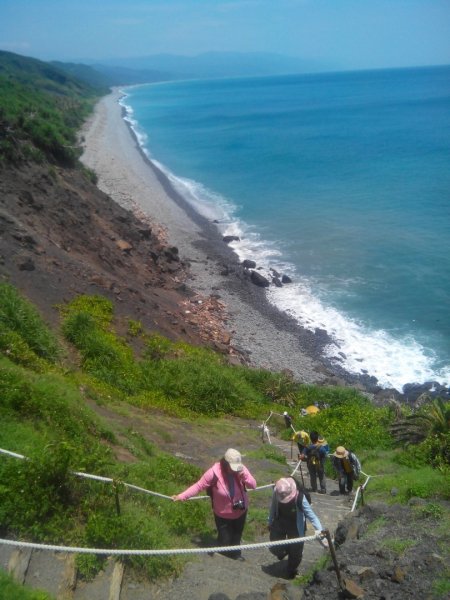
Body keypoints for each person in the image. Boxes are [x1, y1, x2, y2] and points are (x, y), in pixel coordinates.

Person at [172, 448, 256, 560]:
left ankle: (236, 554)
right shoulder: (213, 473)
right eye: (232, 468)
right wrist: (181, 496)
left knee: (237, 536)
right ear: (225, 463)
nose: (234, 470)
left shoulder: (241, 469)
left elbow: (253, 485)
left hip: (240, 511)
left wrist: (244, 476)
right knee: (225, 540)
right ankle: (224, 556)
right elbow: (198, 486)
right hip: (222, 514)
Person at [268, 477, 324, 579]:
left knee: (296, 553)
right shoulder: (278, 491)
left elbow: (312, 516)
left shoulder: (300, 498)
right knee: (274, 546)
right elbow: (273, 506)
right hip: (280, 521)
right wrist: (270, 521)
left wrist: (320, 531)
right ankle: (285, 551)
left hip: (296, 526)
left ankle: (291, 570)